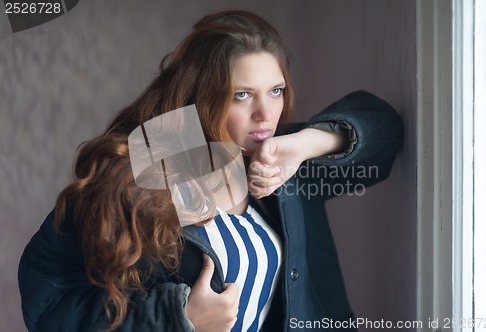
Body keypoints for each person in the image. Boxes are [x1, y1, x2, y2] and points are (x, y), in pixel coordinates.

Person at [18, 10, 403, 332]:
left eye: (276, 90)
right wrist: (177, 318)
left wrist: (307, 144)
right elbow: (48, 298)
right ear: (203, 97)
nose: (265, 114)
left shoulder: (283, 162)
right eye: (242, 94)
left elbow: (387, 131)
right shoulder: (135, 180)